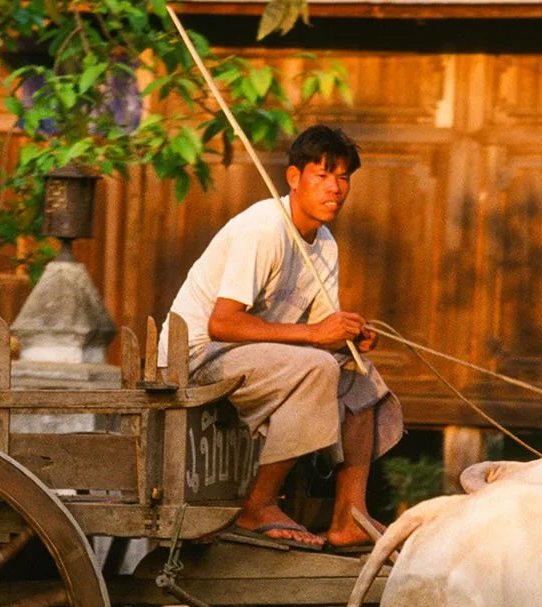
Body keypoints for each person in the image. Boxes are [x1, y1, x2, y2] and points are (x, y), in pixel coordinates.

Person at [162, 124, 402, 551]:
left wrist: (348, 335)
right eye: (323, 175)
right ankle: (259, 505)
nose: (335, 189)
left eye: (343, 177)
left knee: (358, 374)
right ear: (294, 178)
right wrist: (315, 335)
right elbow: (223, 324)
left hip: (255, 355)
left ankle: (350, 516)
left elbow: (324, 328)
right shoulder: (265, 229)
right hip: (197, 356)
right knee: (315, 368)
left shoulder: (324, 242)